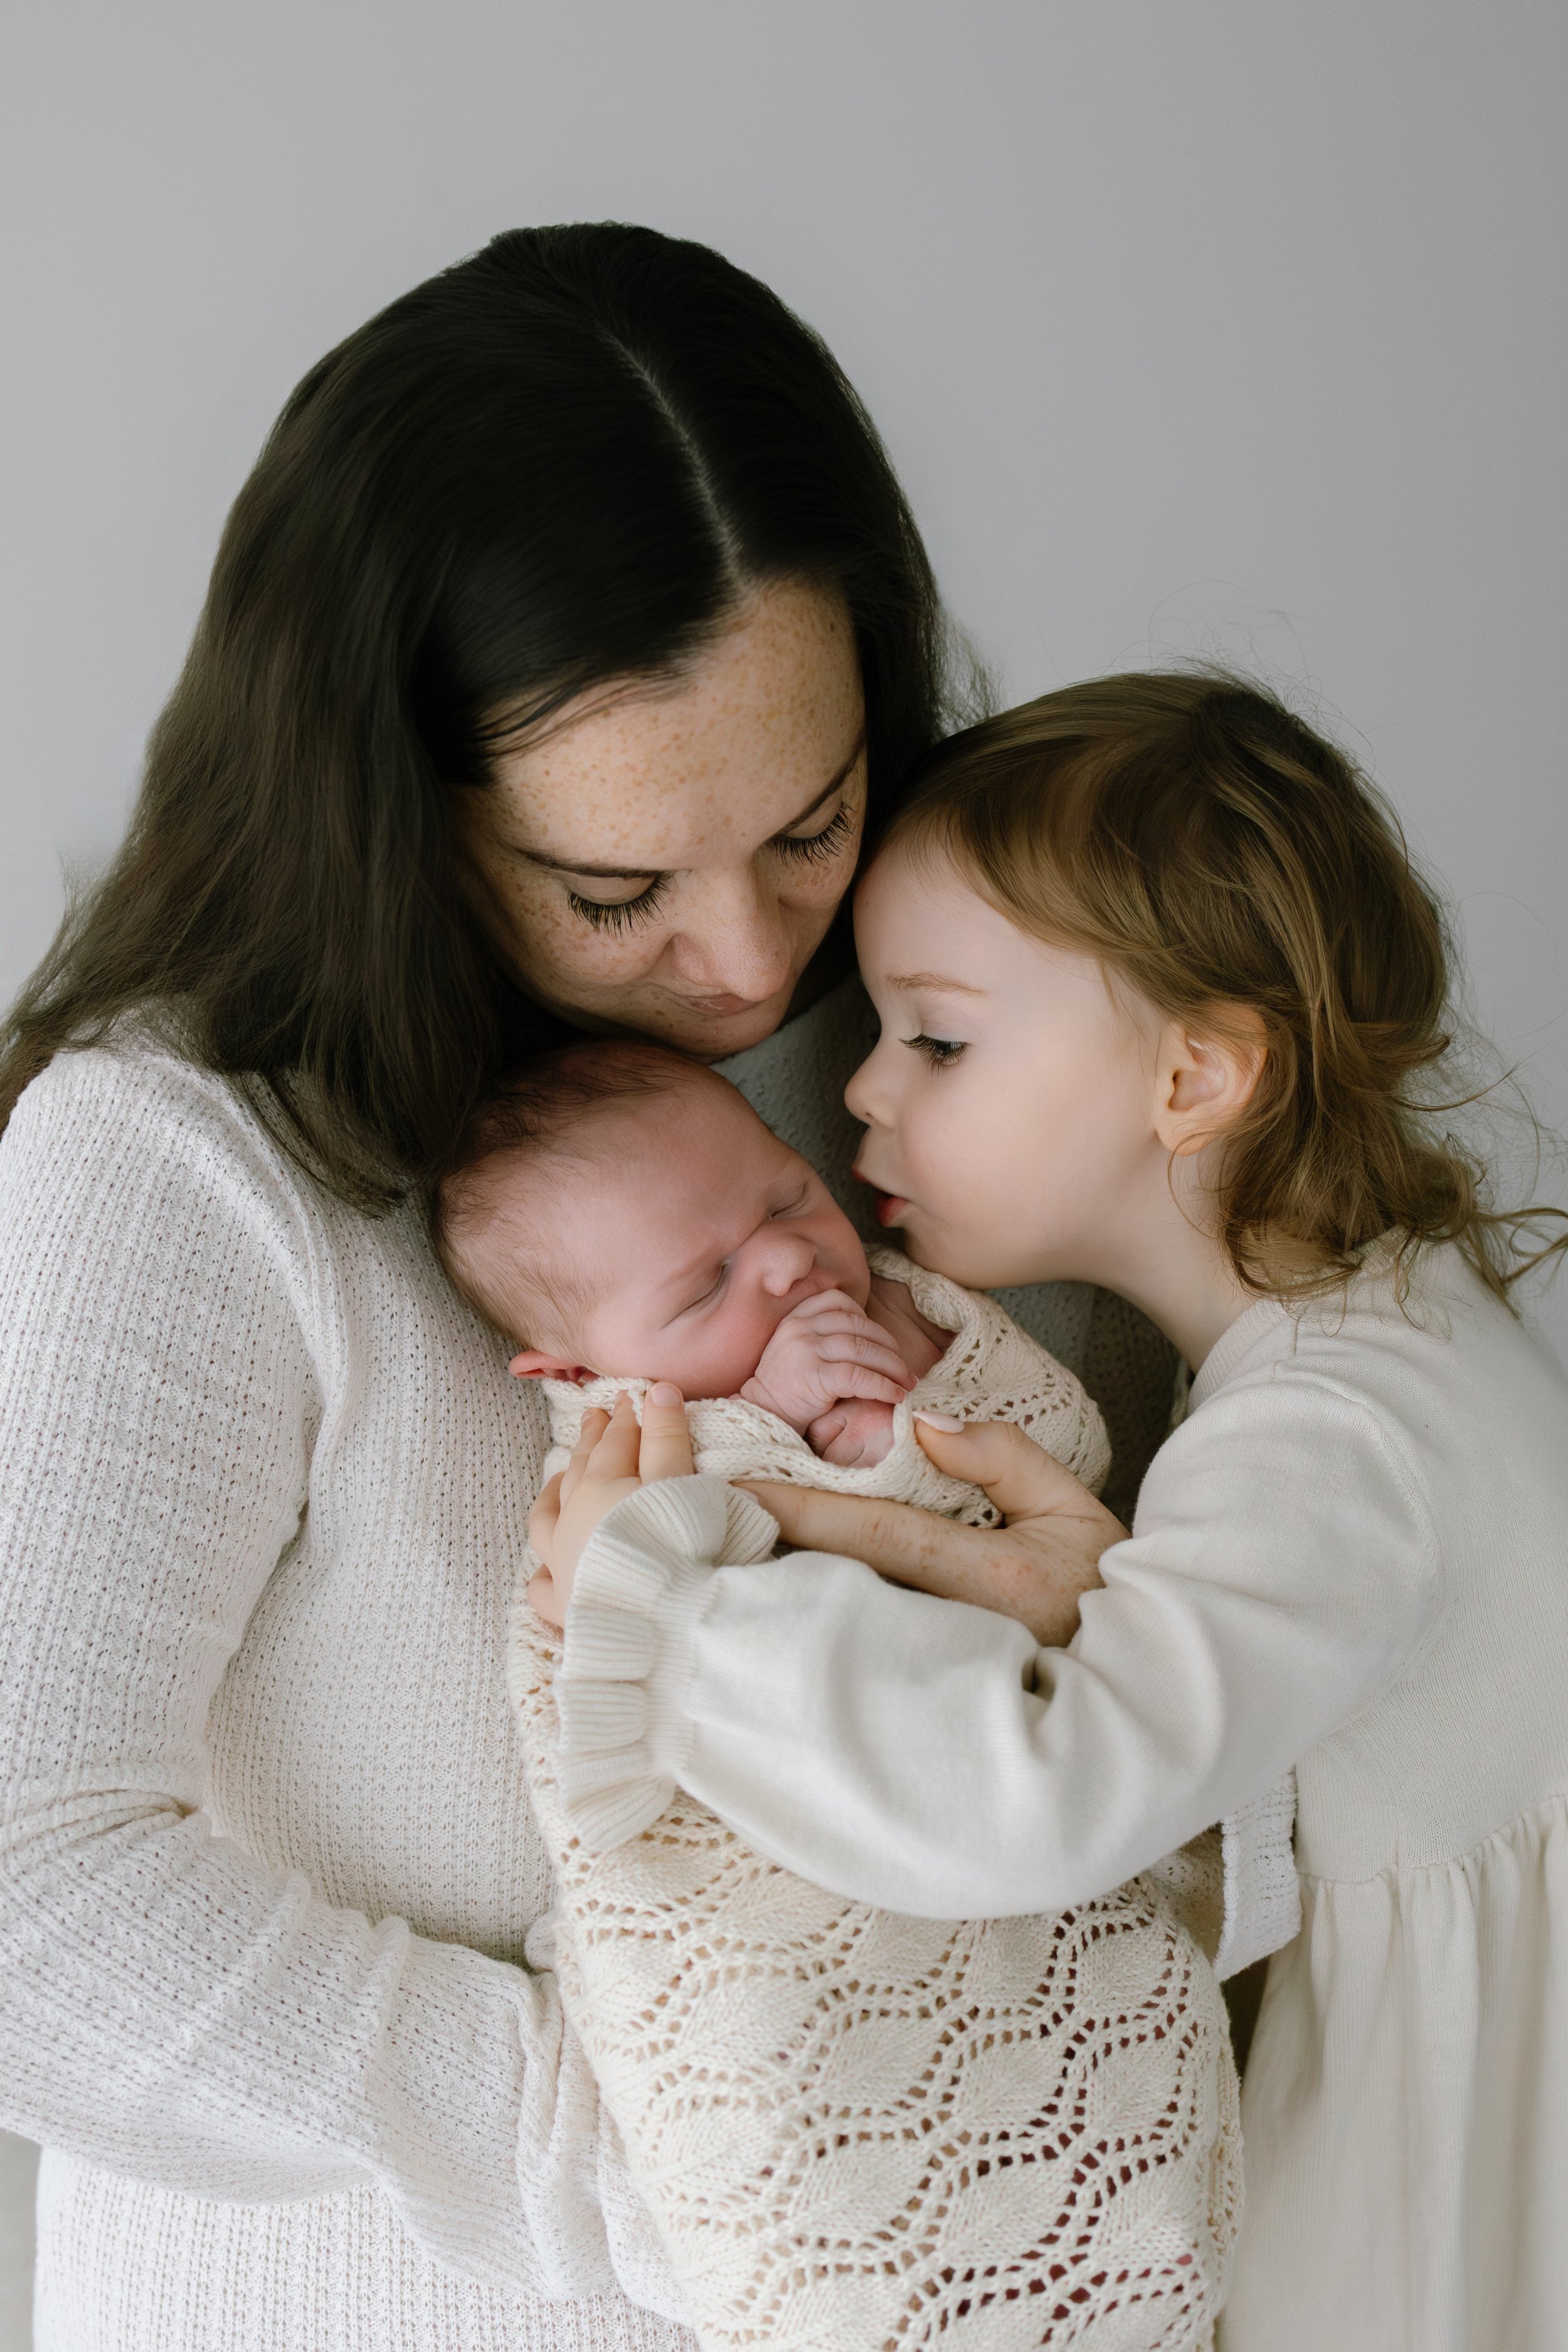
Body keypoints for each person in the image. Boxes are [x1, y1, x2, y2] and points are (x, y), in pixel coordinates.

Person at [0, 226, 1180, 2352]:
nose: (745, 966)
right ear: (395, 812)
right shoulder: (179, 1158)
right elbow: (27, 1893)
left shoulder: (986, 1037)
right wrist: (674, 2162)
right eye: (612, 891)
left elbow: (1306, 1708)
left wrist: (1163, 1729)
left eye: (810, 826)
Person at [529, 670, 1568, 2352]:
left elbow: (1040, 1798)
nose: (861, 1093)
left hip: (1430, 2208)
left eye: (935, 1035)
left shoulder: (1327, 1439)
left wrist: (672, 1627)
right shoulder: (1387, 1336)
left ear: (1193, 1077)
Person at [433, 1036, 1108, 1488]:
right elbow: (665, 1565)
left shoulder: (908, 1298)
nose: (788, 1255)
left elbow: (1072, 1441)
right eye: (708, 1285)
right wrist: (774, 1414)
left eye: (788, 1201)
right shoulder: (623, 1446)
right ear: (577, 1369)